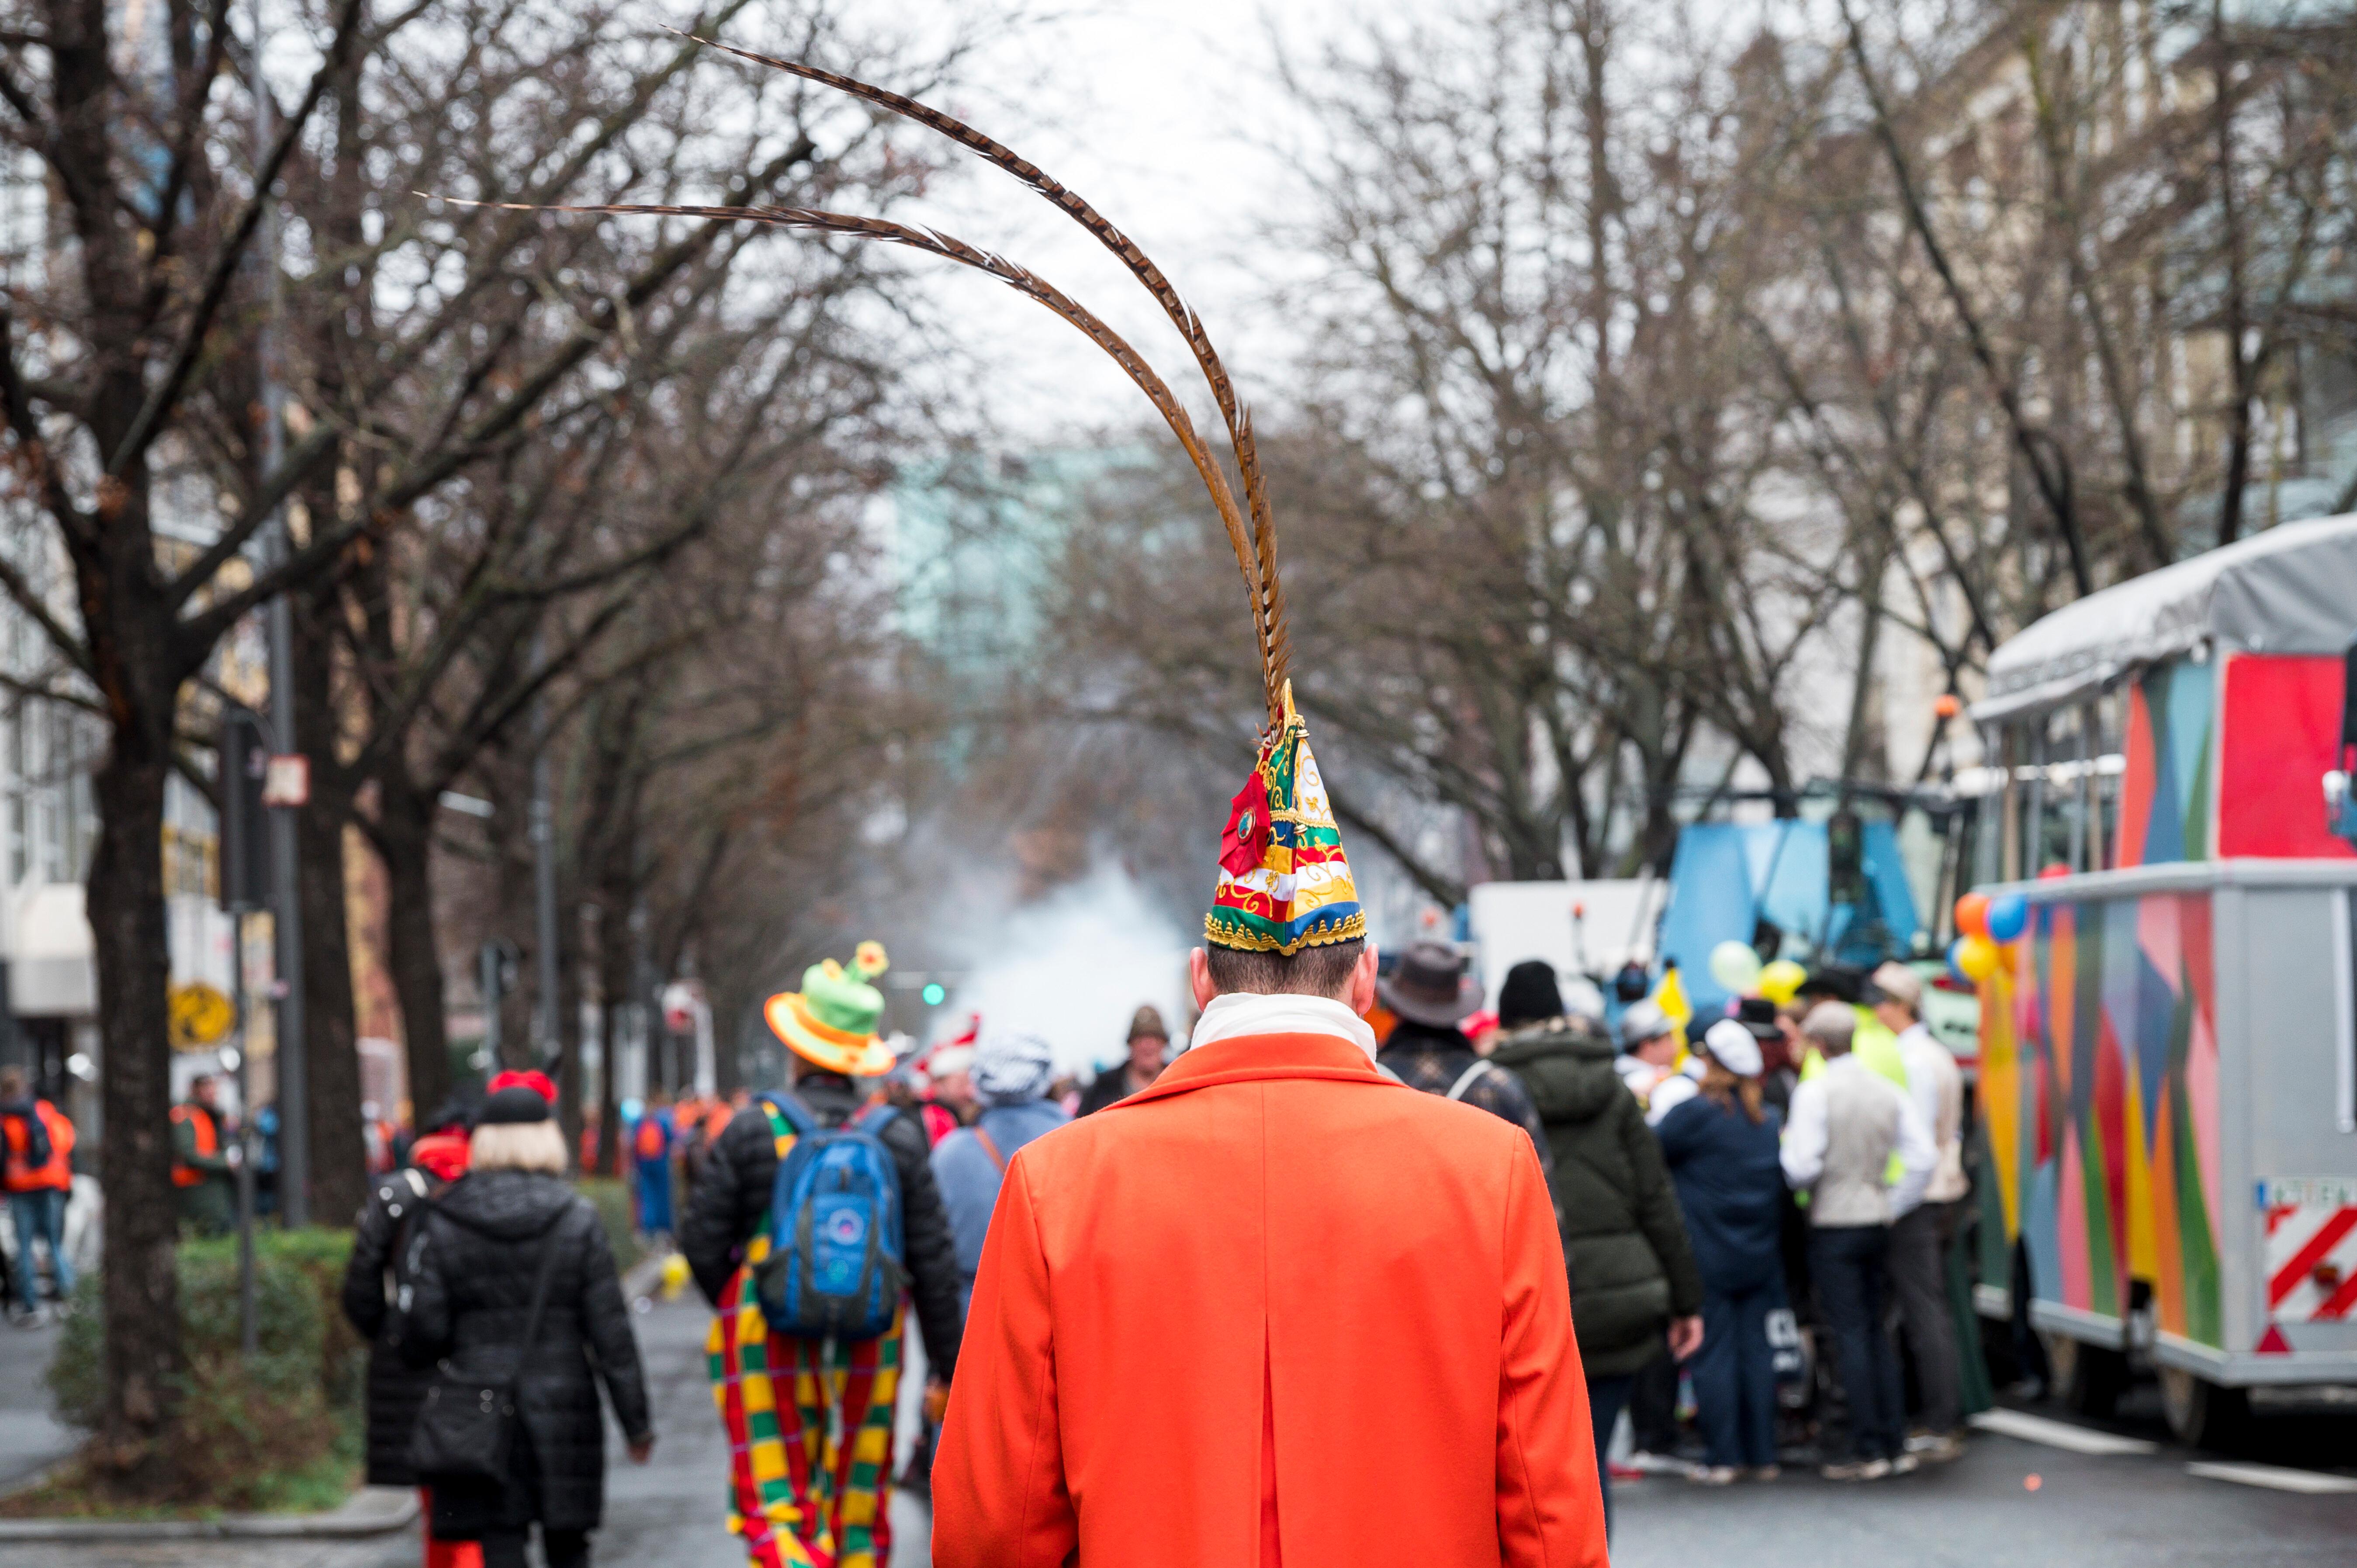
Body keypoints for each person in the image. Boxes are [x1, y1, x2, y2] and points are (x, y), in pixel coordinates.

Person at [936, 684, 1606, 1565]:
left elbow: (996, 1524)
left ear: (1198, 981)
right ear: (1367, 980)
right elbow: (1550, 1513)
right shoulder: (1489, 1167)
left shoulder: (1055, 1182)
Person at [681, 942, 963, 1568]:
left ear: (797, 1049)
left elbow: (700, 1239)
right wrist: (947, 1362)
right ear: (857, 1058)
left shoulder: (754, 1128)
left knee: (777, 1500)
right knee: (858, 1501)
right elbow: (932, 1259)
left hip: (767, 1334)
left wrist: (747, 1300)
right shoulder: (895, 1134)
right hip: (871, 1334)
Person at [400, 1086, 652, 1568]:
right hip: (564, 1405)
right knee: (569, 1545)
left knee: (498, 1541)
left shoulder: (446, 1215)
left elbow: (425, 1329)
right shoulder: (576, 1217)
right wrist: (636, 1423)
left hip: (480, 1405)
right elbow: (610, 1332)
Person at [1491, 962, 1703, 1531]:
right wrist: (1685, 1301)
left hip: (1526, 1296)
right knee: (1593, 1462)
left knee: (1524, 1467)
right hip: (1619, 1294)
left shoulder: (1489, 1087)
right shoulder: (1608, 1082)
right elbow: (1655, 1197)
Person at [1781, 1000, 1938, 1481]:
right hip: (1875, 1214)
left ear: (1819, 1043)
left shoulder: (1814, 1092)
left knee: (1847, 1332)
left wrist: (1811, 1180)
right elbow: (1922, 1155)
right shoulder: (1886, 1089)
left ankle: (1863, 1441)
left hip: (1834, 1219)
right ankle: (1892, 1439)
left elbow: (1800, 1166)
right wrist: (1891, 1201)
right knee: (1876, 1328)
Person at [341, 1100, 481, 1568]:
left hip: (410, 1361)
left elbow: (360, 1284)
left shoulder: (396, 1192)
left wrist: (388, 1334)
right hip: (480, 1358)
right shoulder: (489, 1188)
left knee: (433, 1490)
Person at [1655, 1021, 1788, 1484]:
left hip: (1706, 1251)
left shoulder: (1694, 1113)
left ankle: (1722, 1455)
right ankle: (1762, 1452)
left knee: (1713, 1352)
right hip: (1758, 1252)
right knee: (1756, 1352)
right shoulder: (1766, 1118)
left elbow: (1652, 1152)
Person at [1871, 961, 1969, 1462]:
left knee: (1921, 1309)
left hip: (1917, 1194)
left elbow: (1918, 1142)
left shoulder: (1911, 1061)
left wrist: (1892, 1204)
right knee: (1927, 1307)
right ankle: (1938, 1413)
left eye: (1881, 1003)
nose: (1875, 1012)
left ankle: (1937, 1417)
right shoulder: (1936, 1054)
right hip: (1938, 1189)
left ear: (1898, 1006)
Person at [1374, 943, 1552, 1167]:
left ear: (1393, 1007)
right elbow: (1540, 1193)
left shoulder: (1370, 1085)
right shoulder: (1502, 1088)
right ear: (1458, 1006)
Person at [931, 1032, 1070, 1314]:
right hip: (1060, 1309)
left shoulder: (949, 1154)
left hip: (975, 1311)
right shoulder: (1083, 1144)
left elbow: (936, 1250)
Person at [1, 1067, 74, 1321]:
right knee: (55, 1243)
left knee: (24, 1247)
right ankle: (67, 1297)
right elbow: (66, 1141)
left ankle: (30, 1304)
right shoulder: (45, 1111)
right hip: (51, 1183)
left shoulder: (5, 1119)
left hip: (20, 1187)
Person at [170, 1074, 237, 1237]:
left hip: (211, 1187)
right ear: (196, 1091)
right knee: (208, 1234)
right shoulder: (186, 1115)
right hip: (197, 1190)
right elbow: (188, 1155)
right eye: (209, 1091)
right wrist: (224, 1162)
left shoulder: (210, 1114)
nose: (213, 1095)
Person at [1076, 1004, 1171, 1115]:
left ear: (1164, 1043)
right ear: (1130, 1045)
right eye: (1140, 1038)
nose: (1148, 1045)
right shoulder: (1102, 1089)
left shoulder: (1179, 1085)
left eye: (1154, 1038)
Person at [630, 1091, 675, 1243]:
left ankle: (648, 1227)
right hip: (660, 1162)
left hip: (644, 1163)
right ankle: (663, 1229)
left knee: (647, 1195)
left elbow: (634, 1144)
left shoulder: (638, 1121)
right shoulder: (662, 1120)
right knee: (662, 1195)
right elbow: (670, 1139)